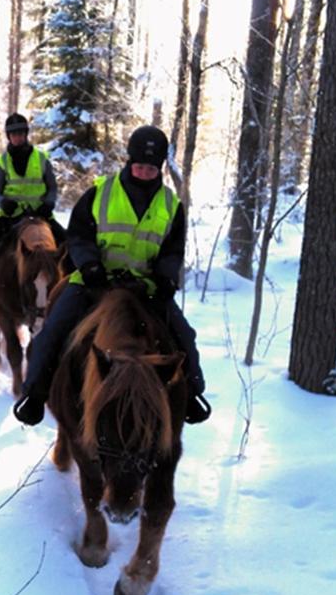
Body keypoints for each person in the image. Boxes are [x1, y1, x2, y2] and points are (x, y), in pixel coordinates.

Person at [12, 124, 212, 426]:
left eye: (151, 168)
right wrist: (90, 266)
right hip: (95, 283)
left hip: (145, 287)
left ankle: (193, 394)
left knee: (184, 336)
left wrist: (165, 278)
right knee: (52, 332)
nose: (145, 172)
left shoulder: (172, 205)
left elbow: (173, 249)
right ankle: (34, 395)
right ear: (130, 162)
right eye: (140, 166)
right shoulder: (100, 193)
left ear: (159, 168)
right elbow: (78, 235)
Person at [0, 113, 67, 305]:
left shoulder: (41, 158)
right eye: (14, 134)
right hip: (12, 215)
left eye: (20, 133)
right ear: (8, 137)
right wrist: (3, 203)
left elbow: (51, 187)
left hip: (39, 214)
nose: (18, 137)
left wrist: (49, 203)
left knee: (68, 241)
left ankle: (74, 288)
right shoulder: (2, 162)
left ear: (26, 134)